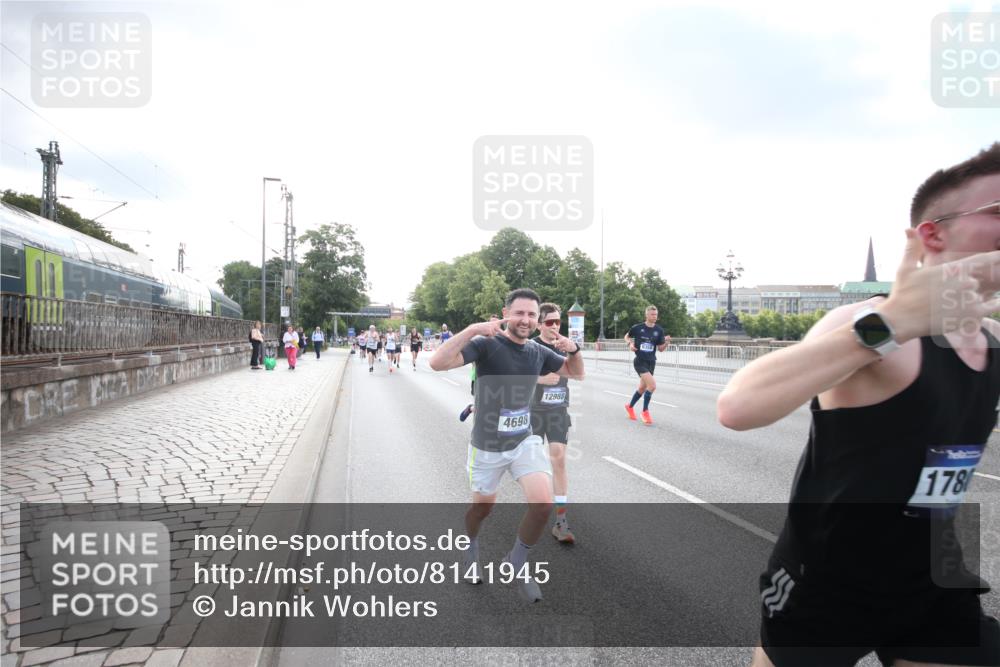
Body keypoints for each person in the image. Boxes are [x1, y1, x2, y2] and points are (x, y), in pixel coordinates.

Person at [717, 143, 1000, 667]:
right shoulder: (866, 325)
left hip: (934, 583)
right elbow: (739, 404)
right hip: (825, 584)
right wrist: (893, 324)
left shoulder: (992, 340)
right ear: (934, 234)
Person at [430, 288, 585, 603]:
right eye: (520, 313)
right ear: (506, 313)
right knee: (482, 508)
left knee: (542, 504)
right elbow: (437, 362)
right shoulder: (487, 345)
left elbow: (575, 373)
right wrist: (473, 329)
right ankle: (471, 546)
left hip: (523, 440)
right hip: (487, 446)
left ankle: (516, 561)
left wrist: (574, 349)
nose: (526, 320)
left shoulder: (537, 352)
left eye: (531, 314)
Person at [532, 303, 576, 544]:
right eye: (550, 322)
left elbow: (578, 373)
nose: (555, 326)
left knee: (558, 458)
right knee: (533, 466)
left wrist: (574, 351)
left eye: (558, 322)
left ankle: (561, 521)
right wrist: (540, 379)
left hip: (558, 410)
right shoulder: (530, 346)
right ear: (539, 324)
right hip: (533, 412)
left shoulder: (563, 346)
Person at [623, 306, 671, 425]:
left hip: (651, 362)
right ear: (647, 315)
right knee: (652, 385)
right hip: (639, 361)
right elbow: (626, 336)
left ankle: (629, 406)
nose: (655, 317)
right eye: (652, 314)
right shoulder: (637, 328)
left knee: (642, 388)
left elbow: (660, 349)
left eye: (656, 314)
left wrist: (666, 343)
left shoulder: (659, 330)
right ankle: (645, 411)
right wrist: (629, 344)